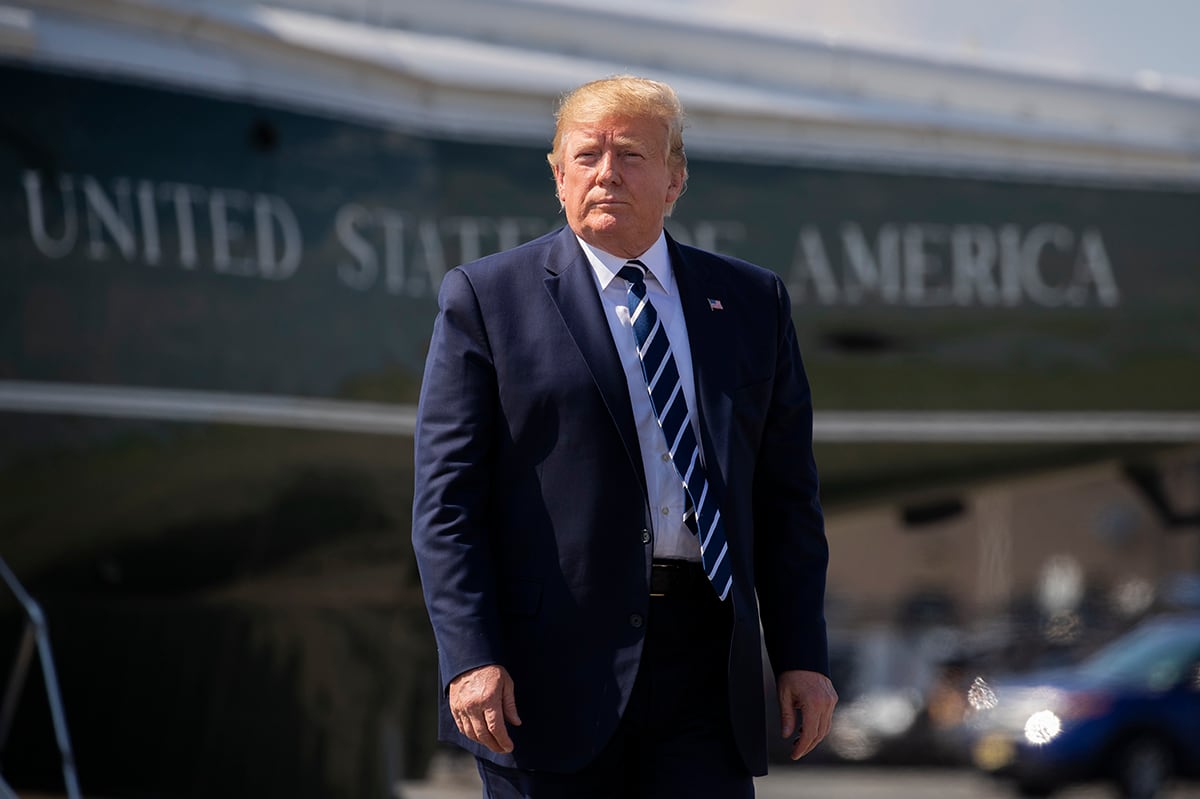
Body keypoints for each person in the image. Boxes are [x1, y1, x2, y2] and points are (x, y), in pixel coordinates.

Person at [412, 74, 836, 798]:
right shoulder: (486, 299)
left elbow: (785, 498)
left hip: (705, 667)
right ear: (557, 175)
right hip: (546, 679)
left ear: (675, 179)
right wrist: (470, 656)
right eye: (587, 155)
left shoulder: (750, 302)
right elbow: (447, 503)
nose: (606, 173)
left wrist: (803, 654)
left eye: (632, 155)